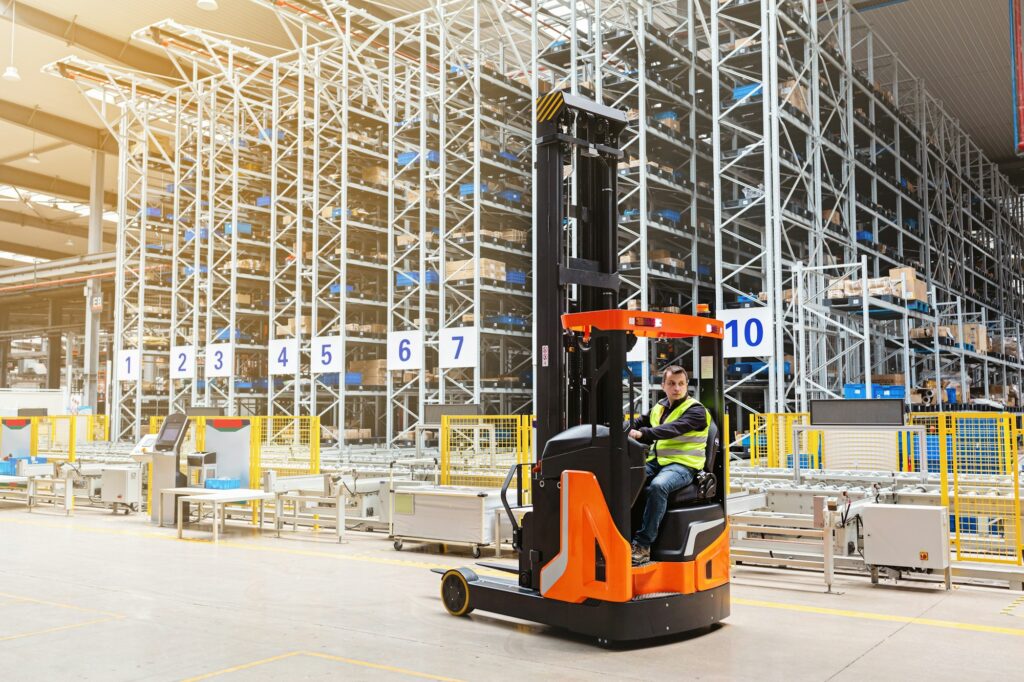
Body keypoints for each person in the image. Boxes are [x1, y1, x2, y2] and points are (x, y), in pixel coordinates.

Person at [626, 364, 710, 565]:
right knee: (623, 476)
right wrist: (614, 431)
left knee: (658, 486)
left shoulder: (697, 411)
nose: (677, 388)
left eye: (681, 384)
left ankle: (643, 545)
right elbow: (637, 422)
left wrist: (644, 434)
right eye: (672, 383)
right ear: (663, 385)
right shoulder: (660, 407)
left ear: (687, 385)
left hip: (684, 466)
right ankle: (618, 534)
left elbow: (671, 429)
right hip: (658, 462)